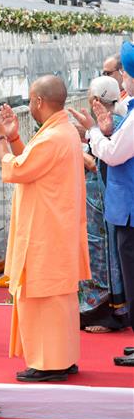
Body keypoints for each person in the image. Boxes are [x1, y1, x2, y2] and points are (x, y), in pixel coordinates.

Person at [0, 75, 90, 382]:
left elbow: (17, 170)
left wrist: (0, 138)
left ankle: (48, 363)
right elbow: (33, 162)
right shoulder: (60, 130)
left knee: (43, 298)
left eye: (30, 100)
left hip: (45, 233)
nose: (29, 105)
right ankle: (62, 357)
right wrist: (15, 138)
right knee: (58, 300)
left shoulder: (54, 136)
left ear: (39, 101)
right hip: (55, 230)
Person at [70, 40, 134, 367]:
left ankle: (112, 313)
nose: (121, 78)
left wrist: (92, 137)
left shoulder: (128, 118)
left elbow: (109, 156)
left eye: (121, 72)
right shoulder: (125, 116)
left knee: (118, 266)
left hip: (121, 208)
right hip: (116, 206)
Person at [77, 76, 127, 333]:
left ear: (96, 101)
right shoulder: (115, 122)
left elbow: (102, 162)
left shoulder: (114, 125)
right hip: (102, 202)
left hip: (102, 203)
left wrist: (80, 151)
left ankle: (102, 312)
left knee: (101, 256)